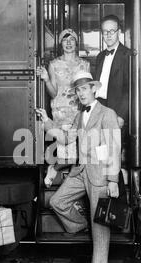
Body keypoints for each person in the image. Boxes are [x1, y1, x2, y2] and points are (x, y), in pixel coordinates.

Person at [36, 71, 121, 263]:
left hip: (99, 173)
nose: (81, 93)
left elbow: (114, 147)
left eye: (84, 88)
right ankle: (81, 226)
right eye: (78, 90)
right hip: (80, 170)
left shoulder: (107, 113)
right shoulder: (79, 115)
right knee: (57, 201)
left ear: (94, 89)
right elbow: (65, 139)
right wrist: (47, 120)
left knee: (99, 221)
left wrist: (113, 180)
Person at [37, 28, 90, 187]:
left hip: (79, 113)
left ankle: (56, 172)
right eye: (65, 40)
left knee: (78, 154)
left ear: (76, 42)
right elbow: (53, 93)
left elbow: (87, 90)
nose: (68, 43)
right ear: (61, 43)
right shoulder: (54, 64)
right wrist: (46, 79)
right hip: (60, 114)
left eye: (71, 39)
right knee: (66, 153)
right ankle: (61, 178)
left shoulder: (84, 64)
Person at [95, 15, 131, 131]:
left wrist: (121, 115)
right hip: (99, 107)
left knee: (113, 146)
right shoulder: (100, 56)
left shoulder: (127, 55)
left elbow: (129, 90)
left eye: (112, 31)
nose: (108, 35)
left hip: (115, 109)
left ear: (119, 32)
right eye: (105, 31)